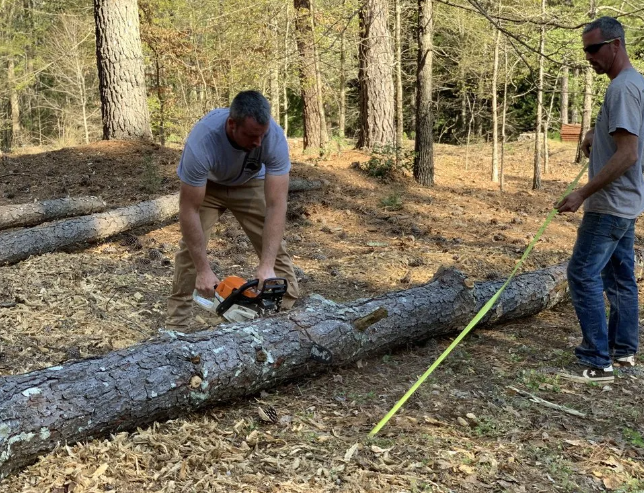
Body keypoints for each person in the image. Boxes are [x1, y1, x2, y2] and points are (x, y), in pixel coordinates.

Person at [556, 17, 644, 383]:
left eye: (593, 49)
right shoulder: (634, 83)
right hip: (628, 203)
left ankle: (597, 360)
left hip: (609, 205)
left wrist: (581, 193)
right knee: (622, 277)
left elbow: (628, 154)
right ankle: (623, 351)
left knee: (582, 273)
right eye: (585, 50)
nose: (588, 56)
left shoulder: (621, 88)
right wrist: (596, 132)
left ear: (615, 45)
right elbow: (627, 134)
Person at [166, 90, 299, 330]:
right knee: (189, 253)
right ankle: (177, 325)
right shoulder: (203, 141)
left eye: (262, 135)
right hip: (210, 186)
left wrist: (266, 265)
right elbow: (189, 210)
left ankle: (285, 321)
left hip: (251, 183)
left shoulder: (273, 137)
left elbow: (276, 205)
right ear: (232, 125)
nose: (258, 143)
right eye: (250, 136)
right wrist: (203, 270)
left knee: (275, 252)